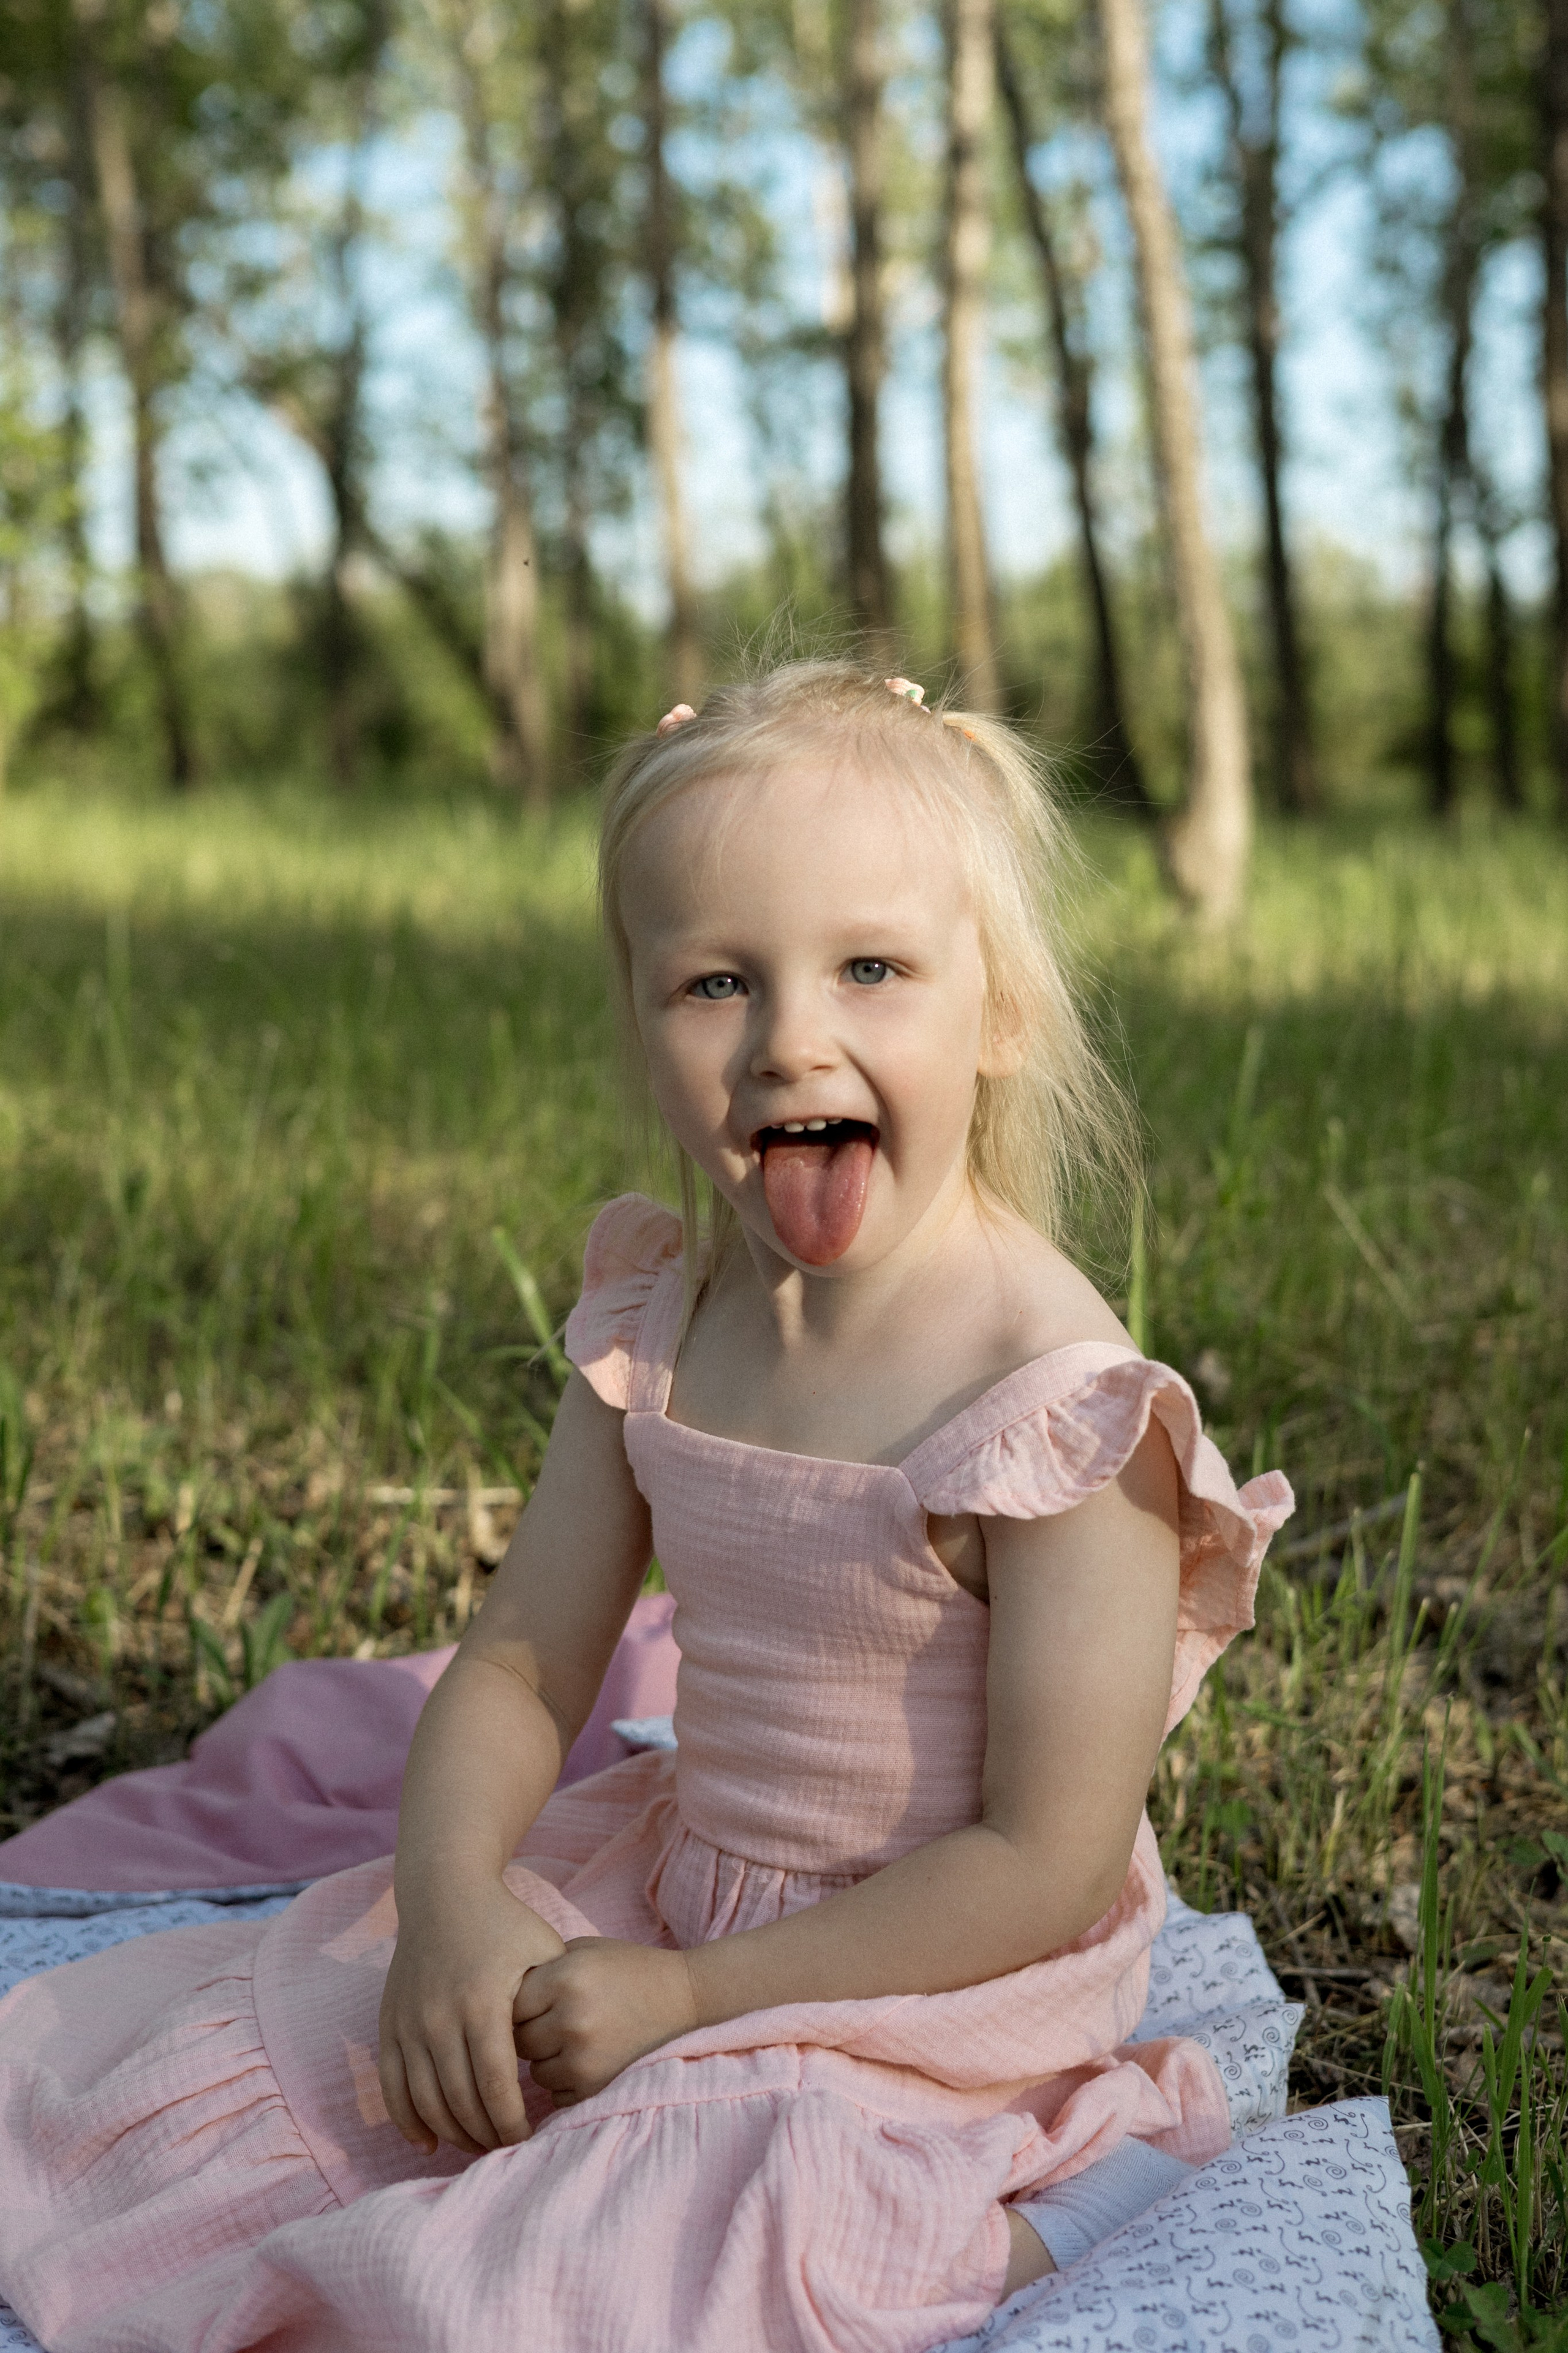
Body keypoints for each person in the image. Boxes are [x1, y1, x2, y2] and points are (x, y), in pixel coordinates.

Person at [0, 661, 1293, 2353]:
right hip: (683, 1881)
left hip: (940, 1974)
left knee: (662, 2227)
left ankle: (1057, 2195)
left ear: (1002, 1015)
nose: (790, 1039)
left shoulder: (1051, 1407)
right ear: (641, 1014)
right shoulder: (664, 1316)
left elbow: (1041, 1861)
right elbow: (527, 1667)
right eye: (715, 981)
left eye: (874, 968)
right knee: (255, 2070)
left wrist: (696, 2000)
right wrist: (454, 1901)